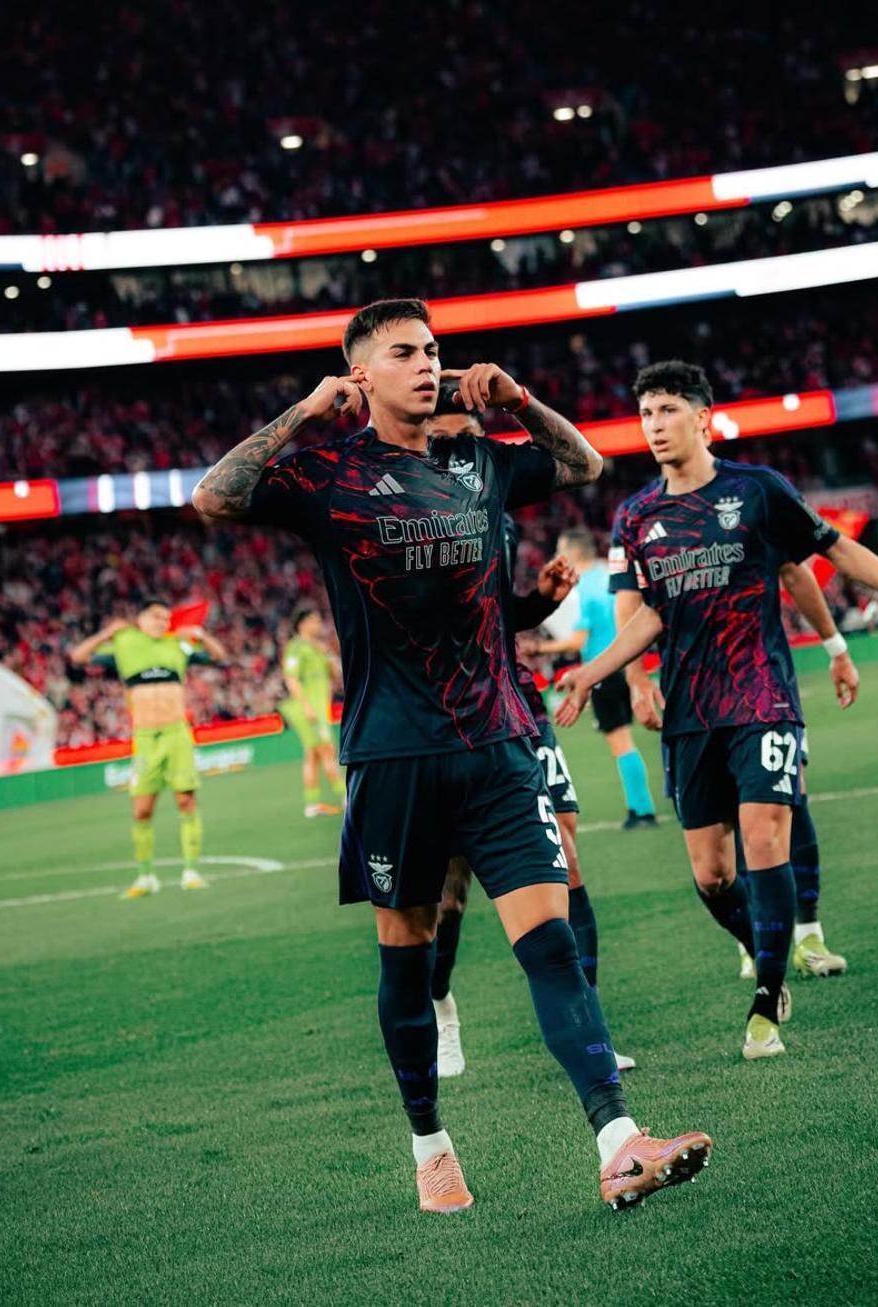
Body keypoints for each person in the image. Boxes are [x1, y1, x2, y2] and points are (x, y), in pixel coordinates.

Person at [193, 299, 711, 1213]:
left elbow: (586, 462)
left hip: (500, 746)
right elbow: (213, 496)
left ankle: (620, 1140)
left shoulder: (480, 459)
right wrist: (301, 417)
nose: (428, 365)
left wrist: (519, 399)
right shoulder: (326, 472)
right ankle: (431, 1145)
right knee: (405, 960)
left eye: (433, 350)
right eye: (404, 353)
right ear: (362, 374)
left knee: (552, 948)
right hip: (394, 760)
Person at [556, 360, 878, 1061]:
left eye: (669, 409)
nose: (655, 424)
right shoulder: (637, 515)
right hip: (691, 710)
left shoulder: (757, 490)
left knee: (765, 839)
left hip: (762, 693)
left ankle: (766, 1002)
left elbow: (833, 553)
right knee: (711, 875)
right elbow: (646, 613)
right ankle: (762, 942)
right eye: (647, 412)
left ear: (703, 417)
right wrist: (598, 673)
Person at [423, 388, 638, 1080]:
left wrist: (538, 603)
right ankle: (441, 1006)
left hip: (516, 695)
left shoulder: (494, 501)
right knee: (449, 889)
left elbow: (495, 610)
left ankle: (590, 1024)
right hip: (446, 715)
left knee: (567, 854)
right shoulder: (400, 510)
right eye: (441, 438)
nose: (454, 452)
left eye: (465, 438)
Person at [626, 561, 859, 980]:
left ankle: (808, 935)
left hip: (761, 683)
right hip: (694, 696)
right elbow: (630, 597)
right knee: (719, 837)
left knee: (791, 794)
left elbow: (793, 567)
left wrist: (835, 646)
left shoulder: (753, 495)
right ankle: (753, 938)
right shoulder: (641, 517)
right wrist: (635, 676)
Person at [69, 599, 227, 898]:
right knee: (142, 810)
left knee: (186, 802)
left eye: (165, 618)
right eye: (155, 617)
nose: (161, 622)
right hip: (144, 738)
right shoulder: (125, 644)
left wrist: (201, 635)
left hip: (177, 734)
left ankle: (191, 871)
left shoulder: (176, 645)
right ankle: (145, 877)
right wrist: (106, 634)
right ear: (139, 619)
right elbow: (78, 657)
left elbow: (220, 656)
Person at [525, 527, 657, 829]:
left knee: (621, 742)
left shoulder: (582, 589)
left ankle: (641, 809)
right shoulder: (610, 576)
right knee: (635, 738)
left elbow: (576, 642)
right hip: (628, 663)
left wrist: (538, 646)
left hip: (601, 671)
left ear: (571, 552)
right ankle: (649, 803)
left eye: (560, 548)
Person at [279, 606, 345, 817]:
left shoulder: (318, 647)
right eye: (315, 621)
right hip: (307, 708)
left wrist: (330, 656)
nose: (320, 624)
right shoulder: (296, 647)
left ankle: (312, 803)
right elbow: (291, 678)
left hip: (319, 707)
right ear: (304, 623)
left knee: (313, 756)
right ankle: (346, 797)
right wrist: (307, 706)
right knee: (327, 750)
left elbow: (335, 675)